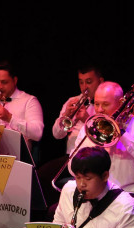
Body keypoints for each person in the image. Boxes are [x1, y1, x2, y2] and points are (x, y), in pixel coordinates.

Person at [70, 82, 134, 219]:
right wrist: (91, 144)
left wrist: (122, 133)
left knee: (107, 217)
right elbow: (71, 167)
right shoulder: (89, 127)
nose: (99, 109)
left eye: (105, 104)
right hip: (95, 192)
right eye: (97, 104)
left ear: (120, 103)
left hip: (129, 192)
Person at [38, 65, 105, 205]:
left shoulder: (105, 104)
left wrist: (87, 119)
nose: (84, 87)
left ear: (100, 81)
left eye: (89, 81)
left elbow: (103, 136)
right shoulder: (72, 101)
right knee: (41, 176)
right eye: (81, 82)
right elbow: (57, 135)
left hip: (94, 157)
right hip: (71, 157)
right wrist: (65, 116)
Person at [0, 61, 44, 146]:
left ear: (14, 81)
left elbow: (37, 133)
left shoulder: (29, 101)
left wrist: (10, 118)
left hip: (17, 158)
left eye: (4, 82)